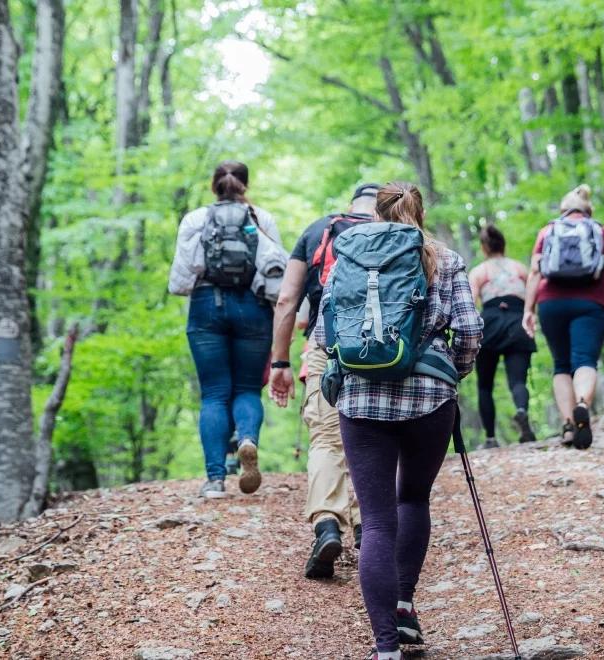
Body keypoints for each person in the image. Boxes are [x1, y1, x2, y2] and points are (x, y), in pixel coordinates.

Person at [313, 182, 482, 660]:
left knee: (378, 521)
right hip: (430, 397)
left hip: (363, 400)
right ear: (419, 212)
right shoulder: (444, 258)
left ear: (376, 213)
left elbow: (326, 334)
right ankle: (404, 604)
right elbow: (468, 331)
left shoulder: (347, 254)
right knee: (413, 499)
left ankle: (385, 646)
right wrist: (454, 374)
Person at [268, 183, 379, 579]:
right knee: (377, 436)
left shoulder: (319, 230)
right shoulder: (399, 228)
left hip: (328, 347)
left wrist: (279, 361)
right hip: (388, 351)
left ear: (351, 203)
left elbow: (286, 300)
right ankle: (373, 527)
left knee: (327, 439)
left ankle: (327, 525)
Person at [168, 160, 282, 499]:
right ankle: (247, 438)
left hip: (206, 307)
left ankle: (215, 480)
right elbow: (278, 272)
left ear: (213, 185)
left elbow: (180, 279)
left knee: (214, 394)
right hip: (252, 308)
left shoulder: (195, 219)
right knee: (247, 388)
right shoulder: (262, 219)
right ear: (245, 185)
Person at [523, 184, 604, 449]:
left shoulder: (547, 231)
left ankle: (569, 425)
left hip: (551, 303)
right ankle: (582, 404)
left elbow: (534, 272)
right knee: (585, 360)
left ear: (563, 210)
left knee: (561, 364)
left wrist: (528, 310)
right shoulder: (602, 233)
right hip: (591, 303)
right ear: (588, 210)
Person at [468, 224, 537, 448]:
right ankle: (521, 411)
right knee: (518, 380)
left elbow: (470, 302)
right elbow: (532, 297)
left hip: (489, 324)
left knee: (485, 385)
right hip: (518, 322)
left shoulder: (480, 272)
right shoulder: (520, 268)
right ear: (503, 244)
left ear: (484, 247)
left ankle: (490, 438)